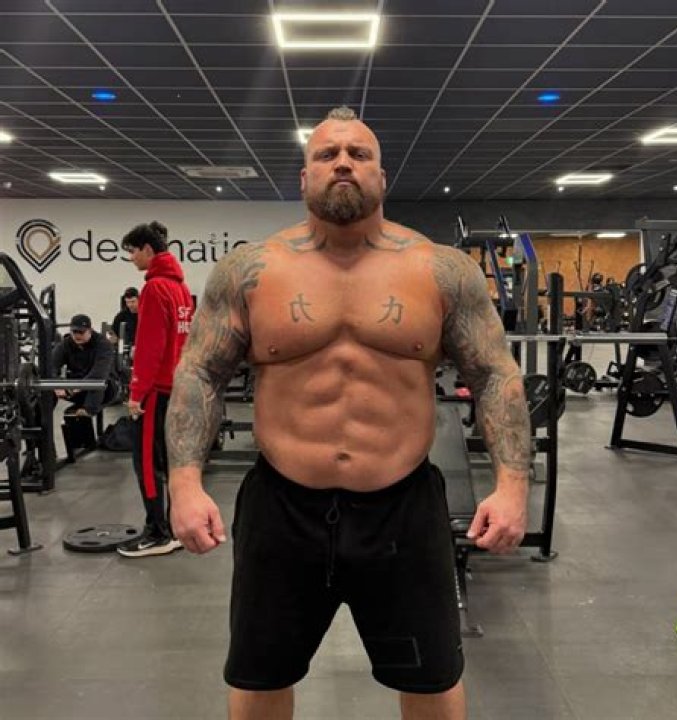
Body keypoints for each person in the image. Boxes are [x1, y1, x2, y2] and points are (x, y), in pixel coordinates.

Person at [166, 106, 531, 720]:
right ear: (304, 176)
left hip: (402, 507)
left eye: (359, 154)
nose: (342, 163)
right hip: (282, 507)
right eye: (326, 154)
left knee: (433, 680)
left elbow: (495, 373)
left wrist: (513, 486)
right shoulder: (250, 270)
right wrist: (184, 484)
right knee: (259, 676)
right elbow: (200, 371)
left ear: (381, 177)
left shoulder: (441, 269)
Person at [116, 221, 194, 558]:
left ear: (148, 249)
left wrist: (137, 393)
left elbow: (150, 347)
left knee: (147, 464)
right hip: (176, 387)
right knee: (171, 461)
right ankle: (174, 527)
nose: (131, 258)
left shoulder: (154, 288)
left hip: (156, 391)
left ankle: (158, 533)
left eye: (133, 251)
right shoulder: (180, 288)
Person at [51, 313, 117, 417]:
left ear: (90, 330)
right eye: (74, 332)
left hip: (104, 389)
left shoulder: (104, 345)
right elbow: (51, 365)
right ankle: (40, 419)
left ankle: (88, 410)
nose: (77, 335)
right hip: (76, 388)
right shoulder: (66, 344)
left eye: (81, 332)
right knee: (47, 387)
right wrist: (56, 384)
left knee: (97, 383)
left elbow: (99, 373)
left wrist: (75, 387)